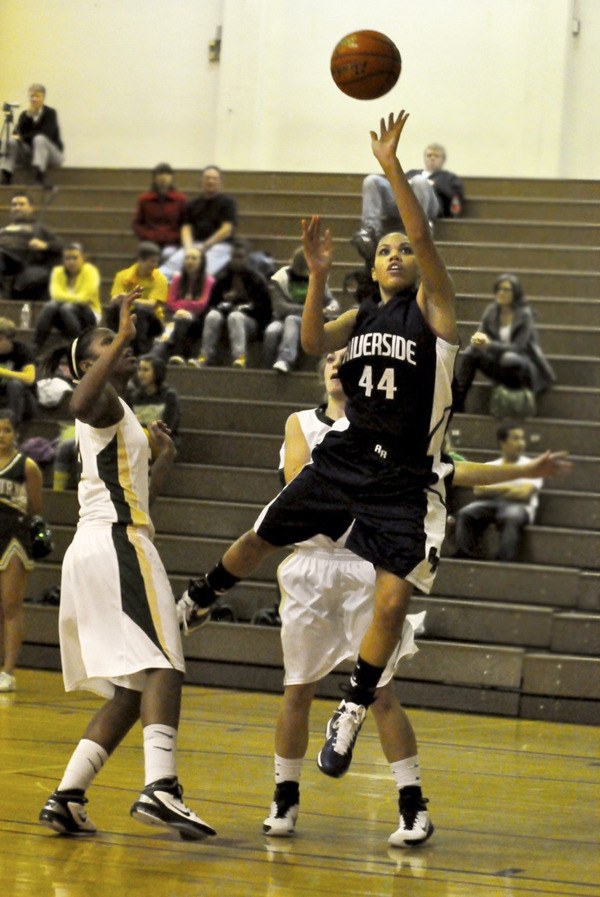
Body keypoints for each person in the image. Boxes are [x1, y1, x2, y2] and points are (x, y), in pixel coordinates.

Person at [177, 110, 460, 783]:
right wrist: (315, 276)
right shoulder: (361, 316)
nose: (395, 254)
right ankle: (201, 597)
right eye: (385, 249)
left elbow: (419, 230)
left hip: (405, 477)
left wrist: (391, 166)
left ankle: (354, 704)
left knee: (392, 603)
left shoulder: (436, 307)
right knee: (262, 532)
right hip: (346, 457)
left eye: (402, 249)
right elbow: (309, 343)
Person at [262, 353, 571, 845]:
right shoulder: (300, 424)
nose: (337, 363)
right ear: (323, 372)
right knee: (297, 687)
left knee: (379, 693)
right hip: (311, 570)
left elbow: (452, 471)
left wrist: (523, 468)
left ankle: (413, 808)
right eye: (331, 358)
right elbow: (305, 489)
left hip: (367, 566)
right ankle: (285, 799)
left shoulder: (393, 435)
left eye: (347, 359)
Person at [38, 289, 216, 841]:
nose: (126, 348)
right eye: (107, 347)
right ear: (88, 366)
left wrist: (165, 458)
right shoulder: (102, 402)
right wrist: (118, 336)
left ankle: (67, 796)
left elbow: (142, 497)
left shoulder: (120, 414)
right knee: (165, 661)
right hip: (115, 545)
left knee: (133, 691)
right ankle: (160, 786)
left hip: (112, 540)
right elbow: (73, 404)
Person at [453, 273, 556, 413]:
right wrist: (477, 340)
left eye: (506, 290)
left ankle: (514, 398)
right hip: (498, 362)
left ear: (515, 293)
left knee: (508, 358)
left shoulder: (524, 315)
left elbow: (519, 348)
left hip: (520, 365)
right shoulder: (491, 311)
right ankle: (457, 402)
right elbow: (481, 334)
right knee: (471, 353)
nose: (501, 293)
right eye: (499, 289)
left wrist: (489, 345)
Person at [352, 141, 464, 260]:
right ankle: (370, 231)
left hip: (430, 206)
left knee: (419, 181)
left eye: (436, 156)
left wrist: (432, 186)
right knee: (372, 180)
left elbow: (454, 204)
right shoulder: (412, 172)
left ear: (442, 160)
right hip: (404, 202)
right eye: (429, 155)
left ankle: (420, 227)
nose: (432, 158)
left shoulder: (449, 178)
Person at [454, 423, 543, 561]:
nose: (521, 443)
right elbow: (478, 489)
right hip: (490, 504)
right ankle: (465, 554)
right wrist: (509, 488)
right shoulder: (492, 465)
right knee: (466, 512)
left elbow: (524, 494)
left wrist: (494, 488)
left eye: (522, 438)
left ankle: (504, 560)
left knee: (511, 516)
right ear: (503, 442)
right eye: (515, 438)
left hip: (518, 506)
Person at [0, 410, 43, 692]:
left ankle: (8, 671)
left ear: (16, 433)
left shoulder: (26, 466)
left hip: (13, 539)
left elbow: (35, 509)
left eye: (5, 430)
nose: (1, 435)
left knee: (10, 606)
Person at [193, 238, 271, 368]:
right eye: (234, 256)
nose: (236, 260)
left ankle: (239, 358)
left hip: (250, 322)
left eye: (240, 257)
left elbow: (265, 311)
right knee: (212, 315)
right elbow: (211, 305)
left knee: (235, 317)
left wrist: (243, 308)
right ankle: (205, 356)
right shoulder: (222, 277)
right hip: (225, 317)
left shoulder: (257, 279)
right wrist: (225, 305)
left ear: (247, 258)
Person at [263, 246, 339, 374]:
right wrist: (311, 310)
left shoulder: (317, 276)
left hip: (309, 321)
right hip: (282, 319)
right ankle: (267, 369)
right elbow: (281, 307)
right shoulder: (281, 278)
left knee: (291, 319)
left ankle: (285, 360)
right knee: (271, 332)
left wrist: (332, 306)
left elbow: (330, 300)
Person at [159, 165, 238, 281]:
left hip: (220, 246)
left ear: (220, 181)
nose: (210, 181)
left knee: (201, 273)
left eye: (214, 178)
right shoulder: (192, 204)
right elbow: (186, 228)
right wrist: (188, 249)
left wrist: (205, 246)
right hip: (194, 245)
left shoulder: (228, 203)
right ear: (201, 180)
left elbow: (226, 229)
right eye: (207, 178)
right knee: (165, 271)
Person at [33, 243, 101, 355]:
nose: (71, 261)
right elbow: (55, 295)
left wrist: (64, 298)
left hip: (89, 314)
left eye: (75, 258)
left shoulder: (90, 271)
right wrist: (73, 298)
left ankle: (80, 347)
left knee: (66, 307)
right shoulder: (57, 271)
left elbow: (83, 299)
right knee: (50, 306)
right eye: (67, 258)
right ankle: (35, 346)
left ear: (82, 258)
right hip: (64, 315)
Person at [153, 247, 214, 364]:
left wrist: (182, 306)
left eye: (194, 258)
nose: (189, 261)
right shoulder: (178, 278)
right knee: (175, 322)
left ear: (202, 262)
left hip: (198, 320)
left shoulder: (208, 280)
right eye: (187, 258)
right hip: (176, 316)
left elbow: (202, 305)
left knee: (178, 322)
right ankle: (166, 356)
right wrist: (185, 307)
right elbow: (170, 302)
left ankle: (178, 354)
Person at [108, 242, 167, 355]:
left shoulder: (160, 279)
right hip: (127, 315)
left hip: (153, 321)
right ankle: (113, 346)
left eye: (156, 261)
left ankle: (139, 352)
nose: (155, 265)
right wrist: (118, 299)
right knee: (113, 308)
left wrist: (129, 298)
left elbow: (153, 304)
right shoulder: (122, 276)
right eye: (152, 261)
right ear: (140, 260)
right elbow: (114, 298)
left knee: (140, 310)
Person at [0, 192, 62, 301]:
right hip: (4, 263)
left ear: (31, 208)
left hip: (25, 264)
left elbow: (61, 246)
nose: (17, 207)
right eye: (14, 205)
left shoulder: (38, 229)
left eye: (21, 204)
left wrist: (45, 245)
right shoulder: (3, 231)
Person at [0, 84, 64, 187]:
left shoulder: (50, 113)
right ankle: (6, 173)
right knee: (10, 141)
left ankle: (38, 174)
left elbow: (47, 133)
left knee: (40, 139)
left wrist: (24, 137)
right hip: (30, 154)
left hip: (51, 154)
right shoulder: (25, 115)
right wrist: (28, 117)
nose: (34, 99)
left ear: (43, 97)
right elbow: (17, 134)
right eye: (31, 96)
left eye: (37, 96)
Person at [132, 163, 187, 264]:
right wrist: (147, 236)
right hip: (150, 241)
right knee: (149, 255)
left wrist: (175, 237)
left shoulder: (180, 199)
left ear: (171, 178)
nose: (163, 177)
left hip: (173, 242)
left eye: (167, 174)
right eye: (160, 174)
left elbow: (184, 223)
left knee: (168, 254)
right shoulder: (144, 199)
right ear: (154, 178)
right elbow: (137, 223)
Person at [128, 355, 181, 441]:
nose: (141, 374)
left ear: (157, 372)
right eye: (139, 369)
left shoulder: (169, 395)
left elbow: (169, 427)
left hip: (163, 441)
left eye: (146, 370)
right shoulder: (134, 396)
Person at [0, 317, 37, 425]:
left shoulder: (22, 350)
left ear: (10, 338)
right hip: (2, 401)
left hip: (24, 402)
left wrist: (2, 372)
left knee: (15, 384)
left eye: (0, 339)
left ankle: (12, 428)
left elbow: (30, 378)